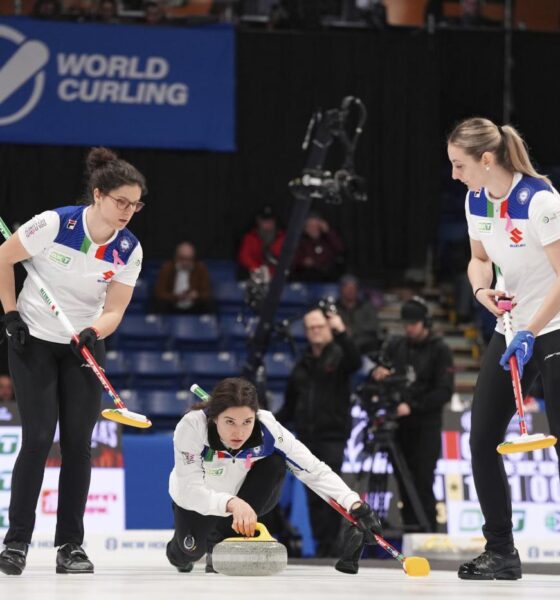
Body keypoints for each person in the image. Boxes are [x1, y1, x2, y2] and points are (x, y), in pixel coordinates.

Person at [0, 147, 147, 576]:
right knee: (40, 436)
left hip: (82, 342)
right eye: (121, 201)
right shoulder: (54, 224)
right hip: (33, 339)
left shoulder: (127, 249)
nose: (128, 212)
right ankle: (16, 544)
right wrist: (9, 314)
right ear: (98, 195)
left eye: (135, 204)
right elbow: (4, 258)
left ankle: (71, 546)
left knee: (80, 444)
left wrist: (94, 331)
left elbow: (115, 308)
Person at [448, 116, 560, 580]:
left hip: (552, 327)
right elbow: (478, 260)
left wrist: (532, 330)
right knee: (480, 440)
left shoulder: (541, 201)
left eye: (460, 165)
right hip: (510, 325)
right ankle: (501, 553)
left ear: (487, 160)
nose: (455, 175)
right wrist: (481, 293)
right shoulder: (476, 199)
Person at [166, 377, 382, 575]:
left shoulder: (268, 429)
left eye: (247, 422)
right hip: (199, 500)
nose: (239, 433)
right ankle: (182, 552)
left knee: (277, 462)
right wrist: (230, 503)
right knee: (186, 553)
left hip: (244, 499)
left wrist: (354, 503)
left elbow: (313, 469)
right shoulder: (192, 427)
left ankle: (223, 539)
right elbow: (189, 490)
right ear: (215, 418)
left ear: (255, 417)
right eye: (229, 422)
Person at [277, 306, 362, 557]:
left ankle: (333, 546)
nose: (315, 331)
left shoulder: (339, 355)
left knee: (332, 490)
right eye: (310, 328)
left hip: (332, 435)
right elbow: (290, 404)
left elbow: (355, 361)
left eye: (319, 326)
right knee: (312, 492)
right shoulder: (303, 362)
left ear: (329, 328)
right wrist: (268, 422)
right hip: (306, 436)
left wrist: (342, 331)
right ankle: (321, 545)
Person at [370, 296, 454, 533]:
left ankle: (427, 532)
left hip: (426, 425)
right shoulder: (397, 346)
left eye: (413, 323)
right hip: (399, 425)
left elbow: (444, 391)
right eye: (406, 323)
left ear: (424, 322)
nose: (409, 328)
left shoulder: (440, 350)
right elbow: (385, 370)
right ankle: (409, 534)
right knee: (403, 483)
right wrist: (380, 372)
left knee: (422, 481)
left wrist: (413, 406)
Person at [153, 241, 214, 314]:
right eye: (182, 258)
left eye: (189, 259)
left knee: (209, 305)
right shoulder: (167, 268)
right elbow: (159, 293)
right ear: (176, 257)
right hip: (172, 305)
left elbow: (207, 293)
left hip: (194, 306)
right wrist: (176, 297)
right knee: (159, 304)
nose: (185, 262)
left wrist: (196, 295)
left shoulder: (200, 269)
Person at [291, 212, 345, 282]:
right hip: (307, 277)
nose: (312, 229)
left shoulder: (328, 238)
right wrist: (303, 262)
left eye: (315, 226)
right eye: (309, 226)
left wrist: (328, 232)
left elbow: (340, 249)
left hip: (329, 276)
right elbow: (293, 260)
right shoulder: (301, 242)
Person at [237, 205, 285, 280]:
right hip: (256, 272)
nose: (267, 224)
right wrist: (259, 270)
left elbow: (284, 259)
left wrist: (271, 272)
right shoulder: (250, 237)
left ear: (275, 221)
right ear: (258, 221)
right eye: (264, 221)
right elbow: (245, 257)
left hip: (276, 275)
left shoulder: (282, 237)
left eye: (270, 221)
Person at [336, 274, 380, 354]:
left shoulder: (367, 306)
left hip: (364, 344)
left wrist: (352, 330)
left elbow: (374, 325)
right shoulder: (335, 308)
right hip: (341, 343)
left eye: (353, 287)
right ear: (341, 289)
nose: (350, 290)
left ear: (357, 289)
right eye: (347, 287)